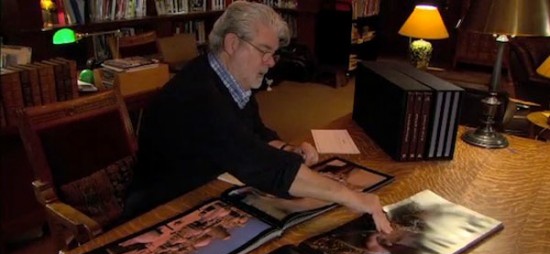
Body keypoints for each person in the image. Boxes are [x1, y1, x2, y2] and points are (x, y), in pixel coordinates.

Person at [123, 1, 392, 234]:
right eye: (264, 51)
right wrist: (351, 196)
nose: (271, 62)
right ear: (232, 43)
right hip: (157, 212)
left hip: (203, 191)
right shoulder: (198, 96)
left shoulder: (228, 79)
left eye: (273, 54)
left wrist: (288, 149)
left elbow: (256, 132)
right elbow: (255, 160)